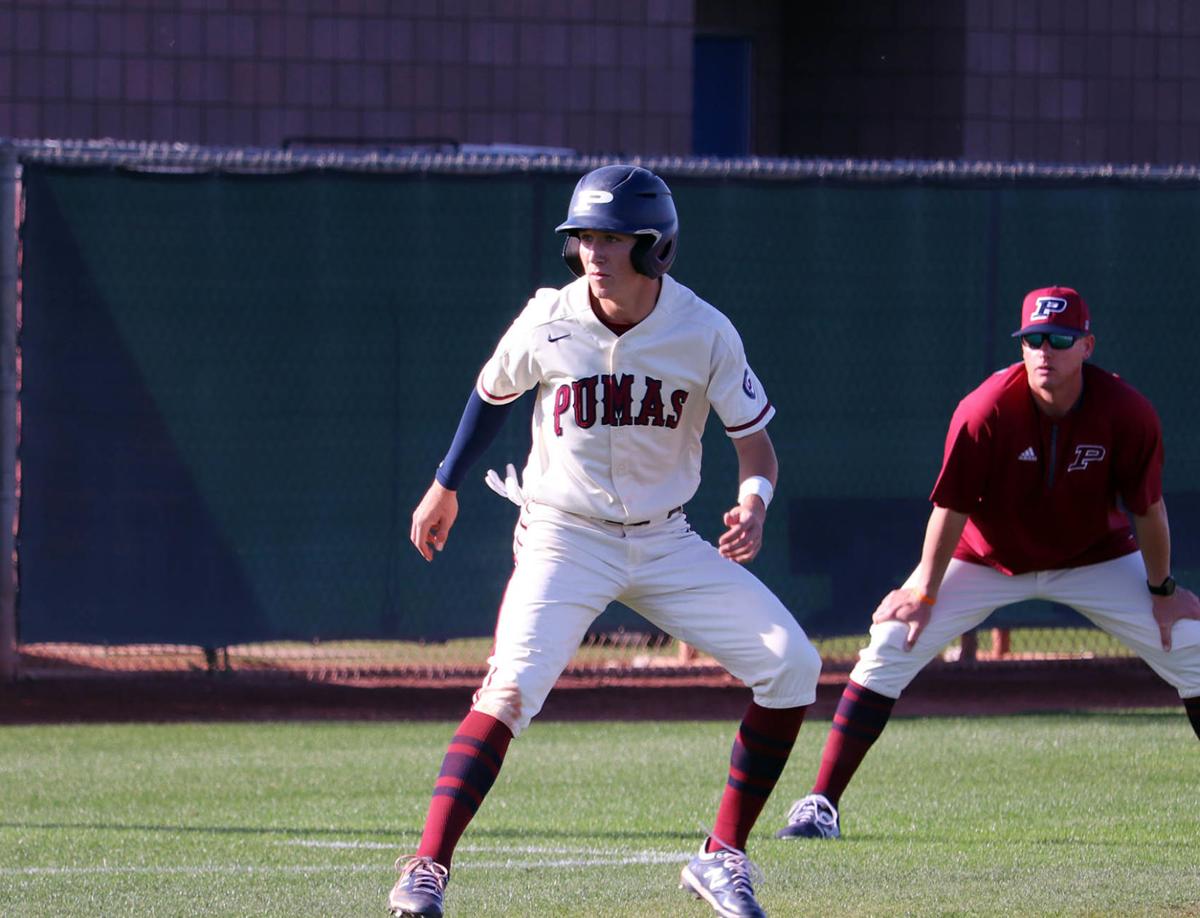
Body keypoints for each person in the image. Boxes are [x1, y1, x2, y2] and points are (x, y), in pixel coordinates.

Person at [388, 164, 822, 918]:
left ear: (655, 247)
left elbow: (758, 450)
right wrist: (445, 483)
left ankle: (721, 858)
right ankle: (427, 869)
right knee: (511, 687)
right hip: (564, 535)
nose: (594, 250)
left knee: (793, 666)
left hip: (668, 540)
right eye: (584, 234)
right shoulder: (548, 318)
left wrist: (754, 503)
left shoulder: (704, 330)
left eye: (613, 237)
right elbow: (492, 395)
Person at [775, 285, 1200, 842]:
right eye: (1034, 340)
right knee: (890, 644)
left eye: (1061, 339)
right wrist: (923, 591)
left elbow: (1147, 509)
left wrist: (1163, 590)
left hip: (1093, 557)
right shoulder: (986, 409)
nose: (1045, 351)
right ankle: (819, 804)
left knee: (1191, 645)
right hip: (985, 557)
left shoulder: (1126, 412)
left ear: (1087, 345)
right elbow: (950, 508)